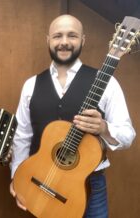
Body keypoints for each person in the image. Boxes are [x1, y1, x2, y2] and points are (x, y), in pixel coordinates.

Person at [9, 14, 136, 217]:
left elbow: (127, 135)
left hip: (89, 184)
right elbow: (21, 138)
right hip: (40, 182)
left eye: (72, 36)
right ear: (48, 40)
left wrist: (104, 128)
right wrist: (18, 178)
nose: (65, 42)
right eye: (58, 36)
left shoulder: (107, 83)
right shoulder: (31, 85)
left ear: (83, 40)